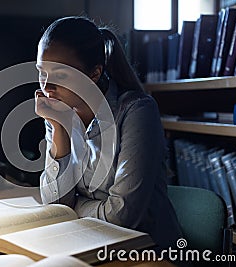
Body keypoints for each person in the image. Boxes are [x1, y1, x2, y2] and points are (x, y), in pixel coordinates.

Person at [35, 16, 182, 251]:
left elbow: (121, 217)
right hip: (86, 242)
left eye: (61, 75)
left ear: (94, 73)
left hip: (146, 251)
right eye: (42, 73)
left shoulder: (137, 111)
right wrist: (59, 128)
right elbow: (54, 206)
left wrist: (73, 207)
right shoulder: (57, 108)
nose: (47, 87)